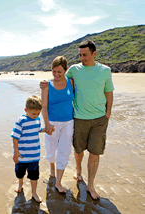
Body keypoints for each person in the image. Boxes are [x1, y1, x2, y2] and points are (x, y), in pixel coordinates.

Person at [40, 40, 114, 200]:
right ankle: (76, 172)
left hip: (94, 119)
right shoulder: (74, 70)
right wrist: (44, 83)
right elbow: (55, 81)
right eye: (80, 55)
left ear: (94, 53)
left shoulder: (105, 71)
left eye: (85, 55)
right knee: (75, 150)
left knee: (92, 152)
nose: (82, 58)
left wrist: (108, 113)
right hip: (77, 118)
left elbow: (109, 92)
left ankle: (90, 185)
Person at [41, 56, 74, 193]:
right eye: (54, 71)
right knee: (51, 148)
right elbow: (43, 106)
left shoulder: (71, 82)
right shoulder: (47, 84)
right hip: (52, 122)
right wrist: (47, 124)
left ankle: (58, 183)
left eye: (59, 72)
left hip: (68, 122)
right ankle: (52, 169)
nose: (56, 75)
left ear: (66, 70)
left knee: (64, 150)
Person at [11, 96, 45, 203]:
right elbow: (14, 136)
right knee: (20, 173)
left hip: (34, 156)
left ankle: (34, 192)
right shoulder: (21, 121)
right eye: (33, 114)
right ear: (26, 110)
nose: (36, 116)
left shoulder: (38, 120)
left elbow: (37, 130)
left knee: (34, 176)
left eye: (38, 113)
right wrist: (16, 152)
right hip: (22, 156)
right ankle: (20, 184)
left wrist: (46, 130)